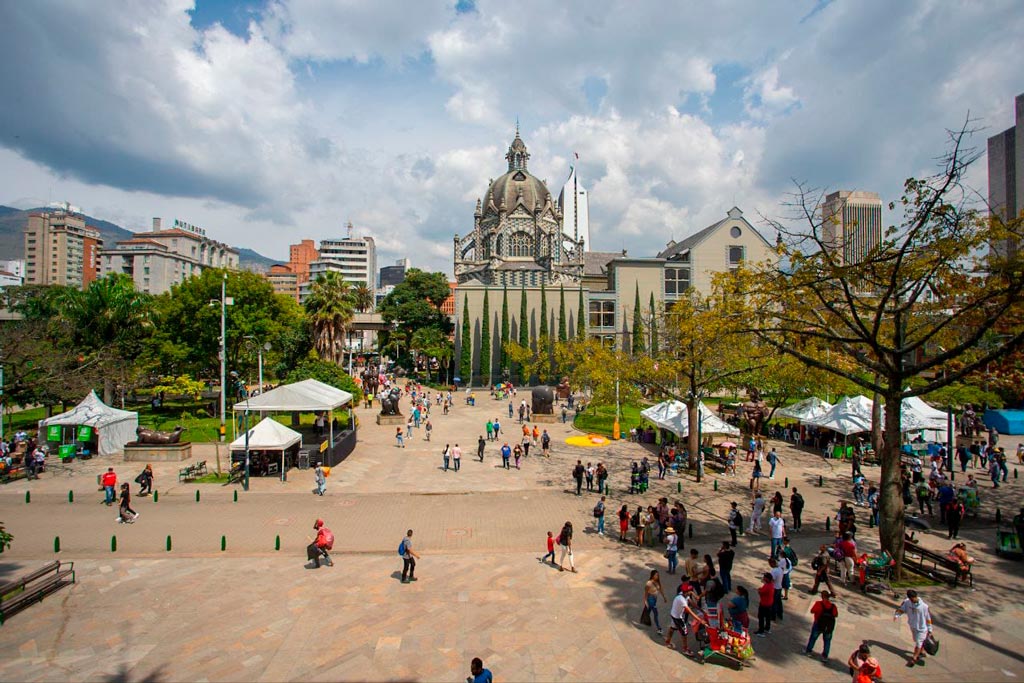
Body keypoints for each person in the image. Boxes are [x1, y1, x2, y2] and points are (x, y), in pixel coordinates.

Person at [894, 589, 933, 667]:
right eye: (911, 599)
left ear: (916, 596)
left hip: (922, 628)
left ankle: (914, 658)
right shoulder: (907, 602)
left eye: (913, 599)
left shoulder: (924, 606)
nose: (913, 601)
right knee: (916, 640)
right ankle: (921, 651)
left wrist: (930, 629)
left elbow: (928, 618)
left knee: (918, 642)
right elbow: (902, 609)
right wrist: (896, 615)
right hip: (913, 626)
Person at [665, 584, 705, 654]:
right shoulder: (681, 599)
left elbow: (692, 603)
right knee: (684, 633)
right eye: (689, 591)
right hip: (677, 617)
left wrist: (700, 609)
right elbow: (690, 611)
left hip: (674, 614)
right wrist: (700, 620)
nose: (691, 592)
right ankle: (685, 649)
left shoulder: (684, 595)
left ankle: (668, 642)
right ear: (685, 592)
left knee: (672, 628)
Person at [804, 591, 838, 662]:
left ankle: (808, 651)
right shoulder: (833, 606)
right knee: (827, 641)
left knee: (813, 638)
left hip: (818, 624)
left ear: (822, 596)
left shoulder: (818, 604)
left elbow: (812, 611)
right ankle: (825, 656)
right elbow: (835, 615)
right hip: (828, 627)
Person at [643, 569, 668, 636]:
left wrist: (664, 597)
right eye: (656, 575)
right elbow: (645, 594)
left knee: (648, 610)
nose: (657, 576)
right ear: (652, 575)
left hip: (655, 599)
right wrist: (645, 601)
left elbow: (660, 590)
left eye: (658, 575)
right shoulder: (648, 583)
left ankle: (645, 618)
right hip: (650, 599)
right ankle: (659, 628)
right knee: (655, 613)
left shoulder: (657, 582)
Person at [768, 557, 785, 622]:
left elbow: (772, 580)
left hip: (775, 588)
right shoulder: (780, 569)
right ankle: (780, 614)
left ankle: (773, 616)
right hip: (779, 587)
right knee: (779, 602)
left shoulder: (774, 571)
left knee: (773, 603)